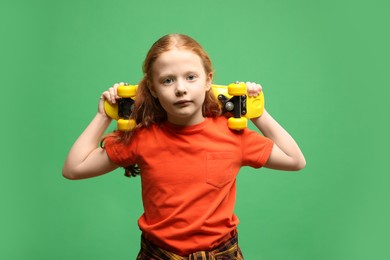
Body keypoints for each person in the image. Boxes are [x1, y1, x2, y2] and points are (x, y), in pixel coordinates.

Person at [62, 33, 306, 259]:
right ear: (153, 90)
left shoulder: (233, 134)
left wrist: (257, 113)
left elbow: (295, 160)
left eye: (191, 77)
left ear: (208, 80)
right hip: (158, 254)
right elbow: (74, 168)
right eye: (167, 80)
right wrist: (104, 114)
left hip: (221, 253)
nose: (180, 88)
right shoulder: (141, 138)